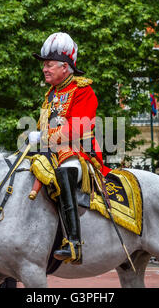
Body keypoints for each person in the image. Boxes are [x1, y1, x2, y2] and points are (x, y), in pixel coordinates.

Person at [29, 32, 111, 264]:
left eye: (49, 64)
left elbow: (77, 130)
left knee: (65, 173)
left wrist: (45, 137)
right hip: (51, 151)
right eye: (44, 65)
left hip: (78, 152)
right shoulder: (51, 94)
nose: (44, 69)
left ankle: (74, 243)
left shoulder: (83, 90)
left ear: (65, 67)